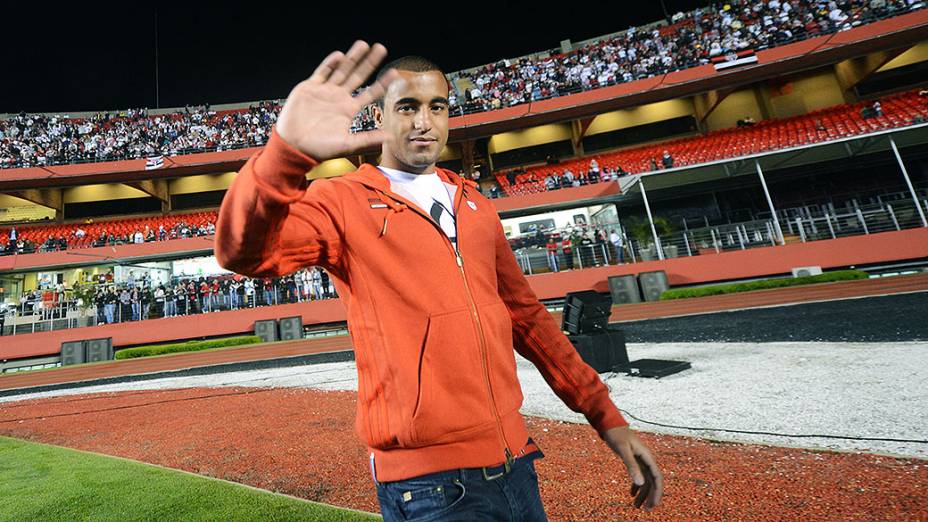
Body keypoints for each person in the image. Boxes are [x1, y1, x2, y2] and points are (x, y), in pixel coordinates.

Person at [214, 41, 662, 519]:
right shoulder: (340, 201)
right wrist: (287, 155)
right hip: (426, 486)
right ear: (380, 118)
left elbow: (527, 318)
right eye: (407, 107)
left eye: (437, 106)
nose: (423, 121)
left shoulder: (475, 203)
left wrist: (606, 417)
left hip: (516, 463)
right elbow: (242, 253)